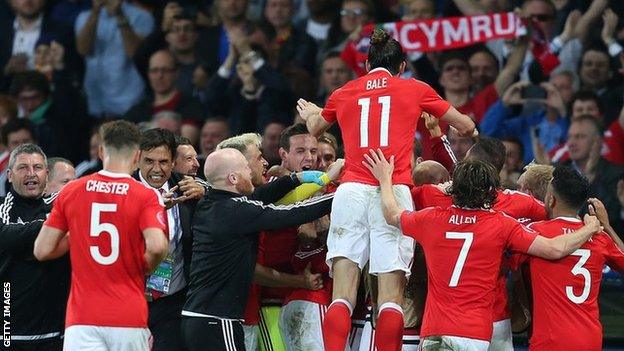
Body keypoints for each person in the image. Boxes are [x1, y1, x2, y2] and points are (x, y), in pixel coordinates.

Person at [296, 29, 476, 351]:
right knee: (390, 297)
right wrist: (460, 125)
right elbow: (465, 125)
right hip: (392, 190)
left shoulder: (345, 91)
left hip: (350, 191)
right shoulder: (415, 89)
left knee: (343, 293)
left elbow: (314, 128)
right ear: (402, 66)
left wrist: (311, 113)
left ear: (366, 66)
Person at [364, 151, 601, 351]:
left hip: (435, 329)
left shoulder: (431, 219)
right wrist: (588, 228)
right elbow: (554, 249)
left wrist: (385, 179)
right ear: (491, 191)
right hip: (476, 333)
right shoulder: (502, 225)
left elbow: (392, 214)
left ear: (454, 188)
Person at [33, 120, 169, 351]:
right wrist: (145, 266)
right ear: (137, 155)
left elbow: (42, 250)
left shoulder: (72, 190)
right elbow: (156, 246)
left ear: (101, 151)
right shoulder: (145, 195)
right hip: (128, 315)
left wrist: (77, 235)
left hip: (82, 317)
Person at [181, 148, 334, 351]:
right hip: (217, 319)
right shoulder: (236, 211)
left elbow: (260, 195)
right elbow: (293, 213)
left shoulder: (212, 203)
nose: (251, 175)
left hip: (201, 317)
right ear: (233, 178)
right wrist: (341, 194)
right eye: (245, 169)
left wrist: (295, 179)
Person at [511, 167, 624, 351]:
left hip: (551, 341)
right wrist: (607, 226)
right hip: (591, 339)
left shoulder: (536, 233)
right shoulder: (600, 238)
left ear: (550, 199)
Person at [135, 128, 203, 351]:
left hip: (173, 301)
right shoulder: (122, 192)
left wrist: (205, 192)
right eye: (149, 161)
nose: (156, 169)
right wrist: (151, 209)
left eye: (163, 161)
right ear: (137, 159)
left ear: (173, 162)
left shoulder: (188, 189)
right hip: (130, 301)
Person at [0, 143, 69, 351]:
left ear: (47, 174)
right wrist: (58, 227)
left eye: (38, 167)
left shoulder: (59, 206)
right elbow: (7, 237)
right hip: (9, 332)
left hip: (56, 334)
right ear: (10, 175)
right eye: (23, 168)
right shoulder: (2, 208)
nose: (31, 173)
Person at [75, 0, 155, 117]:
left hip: (129, 104)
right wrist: (95, 12)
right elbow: (83, 50)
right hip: (96, 103)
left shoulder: (142, 17)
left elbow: (135, 53)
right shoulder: (84, 17)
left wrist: (119, 14)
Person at [124, 50, 204, 124]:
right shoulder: (138, 111)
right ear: (148, 74)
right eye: (154, 71)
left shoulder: (191, 106)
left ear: (176, 73)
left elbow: (188, 138)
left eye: (165, 70)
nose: (159, 76)